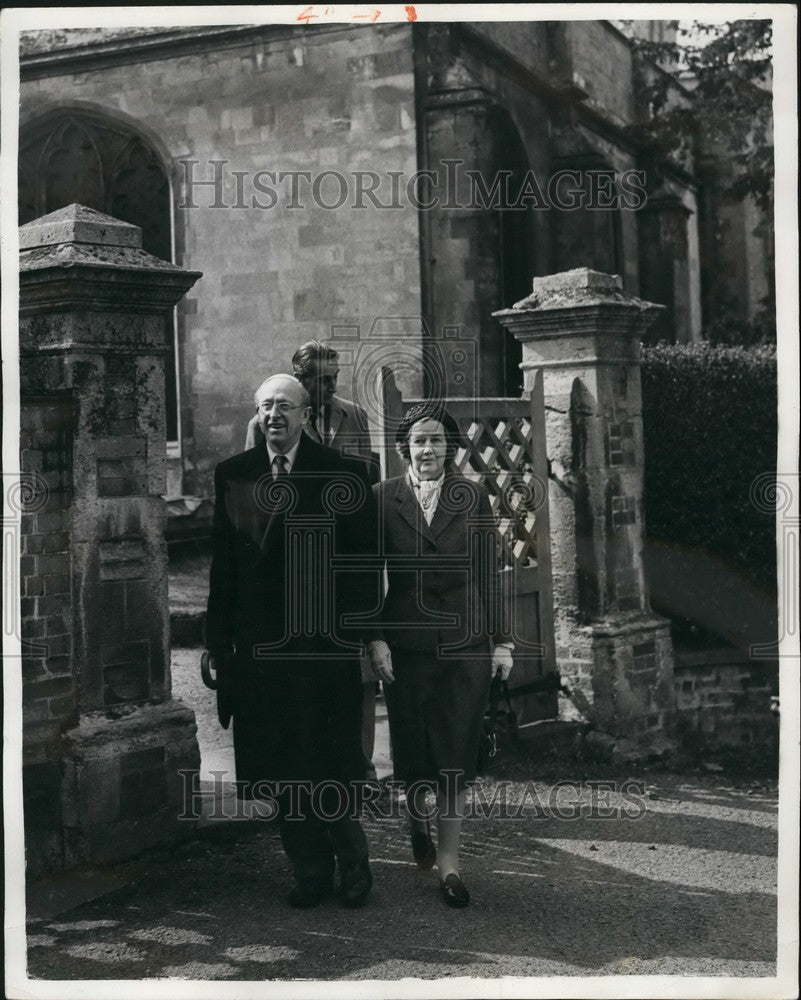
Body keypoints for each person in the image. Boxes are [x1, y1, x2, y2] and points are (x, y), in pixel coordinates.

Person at [205, 373, 393, 909]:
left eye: (285, 406)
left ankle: (353, 864)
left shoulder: (342, 474)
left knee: (329, 759)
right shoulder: (233, 475)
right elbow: (225, 567)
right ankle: (308, 870)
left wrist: (367, 636)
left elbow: (360, 568)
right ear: (256, 415)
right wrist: (218, 642)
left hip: (321, 648)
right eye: (265, 406)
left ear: (306, 415)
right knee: (282, 762)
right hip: (260, 651)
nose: (274, 416)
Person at [373, 402, 514, 908]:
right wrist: (375, 638)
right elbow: (368, 578)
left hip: (464, 646)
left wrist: (502, 642)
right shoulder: (382, 498)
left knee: (454, 752)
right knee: (413, 751)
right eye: (418, 441)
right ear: (404, 448)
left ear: (449, 448)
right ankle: (417, 822)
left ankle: (451, 863)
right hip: (406, 647)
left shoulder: (472, 497)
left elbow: (489, 573)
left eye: (436, 440)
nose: (428, 449)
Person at [245, 342, 380, 779]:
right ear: (299, 380)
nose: (330, 386)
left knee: (354, 664)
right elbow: (256, 495)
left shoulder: (354, 415)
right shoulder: (264, 423)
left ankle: (358, 769)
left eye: (334, 377)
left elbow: (365, 483)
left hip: (342, 561)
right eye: (321, 379)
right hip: (292, 567)